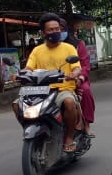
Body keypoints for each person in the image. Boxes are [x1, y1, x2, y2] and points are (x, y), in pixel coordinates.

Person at [25, 13, 84, 153]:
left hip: (63, 89)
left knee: (69, 102)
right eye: (51, 29)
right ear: (43, 33)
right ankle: (30, 129)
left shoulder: (69, 48)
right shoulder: (37, 51)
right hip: (42, 91)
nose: (55, 32)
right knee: (17, 104)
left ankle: (69, 137)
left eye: (57, 29)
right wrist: (20, 74)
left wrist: (74, 74)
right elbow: (28, 68)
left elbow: (77, 68)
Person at [60, 18, 95, 137]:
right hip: (55, 81)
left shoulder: (77, 44)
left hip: (76, 78)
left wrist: (80, 78)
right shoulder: (44, 48)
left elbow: (85, 65)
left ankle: (86, 124)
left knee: (85, 91)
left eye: (61, 29)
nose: (58, 32)